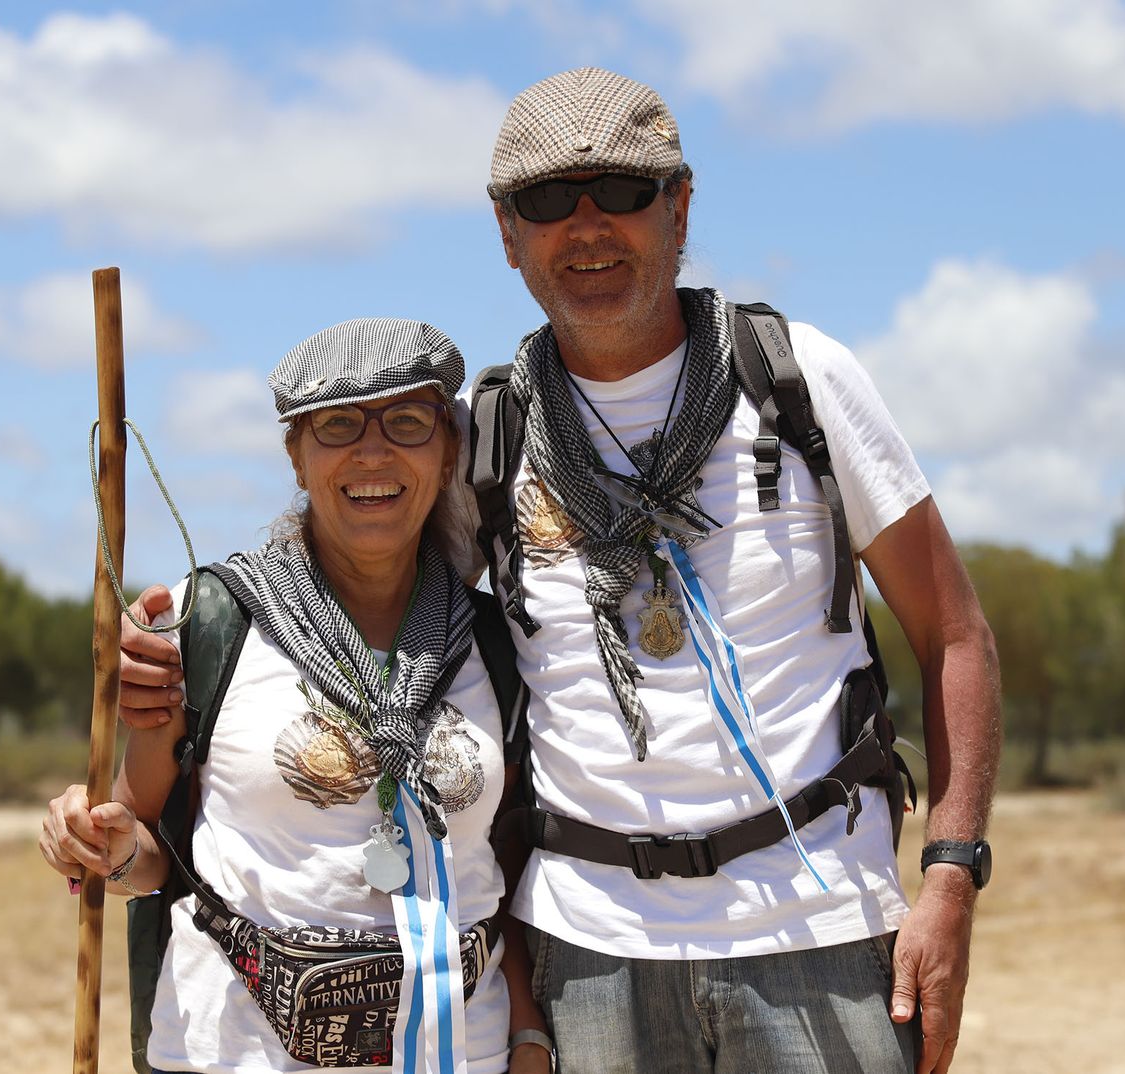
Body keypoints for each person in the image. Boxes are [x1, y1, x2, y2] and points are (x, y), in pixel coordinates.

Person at [123, 68, 1001, 1074]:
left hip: (819, 927)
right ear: (506, 234)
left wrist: (951, 873)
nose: (585, 228)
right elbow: (343, 563)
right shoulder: (487, 438)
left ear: (678, 205)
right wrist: (179, 638)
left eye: (621, 192)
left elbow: (955, 634)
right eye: (547, 202)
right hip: (588, 953)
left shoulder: (800, 381)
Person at [40, 319, 552, 1074]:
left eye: (407, 422)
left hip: (460, 1053)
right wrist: (101, 846)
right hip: (233, 1054)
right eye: (338, 424)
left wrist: (529, 1036)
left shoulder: (496, 641)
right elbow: (151, 850)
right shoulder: (211, 621)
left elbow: (509, 864)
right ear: (296, 453)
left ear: (447, 453)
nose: (372, 451)